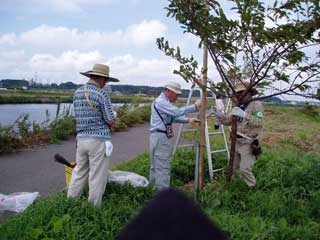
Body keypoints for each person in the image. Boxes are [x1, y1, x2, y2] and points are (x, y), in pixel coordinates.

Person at [67, 63, 119, 207]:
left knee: (79, 172)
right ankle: (93, 208)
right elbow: (110, 121)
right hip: (98, 140)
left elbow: (75, 116)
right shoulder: (102, 94)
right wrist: (114, 115)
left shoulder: (77, 93)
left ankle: (70, 202)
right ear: (101, 79)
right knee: (97, 175)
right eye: (106, 80)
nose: (106, 83)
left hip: (81, 139)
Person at [149, 81, 201, 190]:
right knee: (163, 166)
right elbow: (177, 112)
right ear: (169, 91)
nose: (177, 98)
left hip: (157, 136)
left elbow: (173, 118)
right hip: (161, 137)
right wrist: (194, 107)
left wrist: (188, 119)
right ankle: (163, 195)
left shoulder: (162, 102)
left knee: (155, 166)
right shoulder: (162, 102)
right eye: (176, 95)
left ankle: (153, 189)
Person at [213, 82, 263, 188]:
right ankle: (236, 186)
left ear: (249, 93)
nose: (240, 95)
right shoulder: (238, 105)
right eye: (239, 93)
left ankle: (252, 187)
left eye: (243, 93)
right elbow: (228, 121)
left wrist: (245, 115)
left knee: (245, 168)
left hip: (248, 141)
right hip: (236, 141)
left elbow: (259, 122)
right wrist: (220, 116)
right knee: (233, 167)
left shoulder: (256, 105)